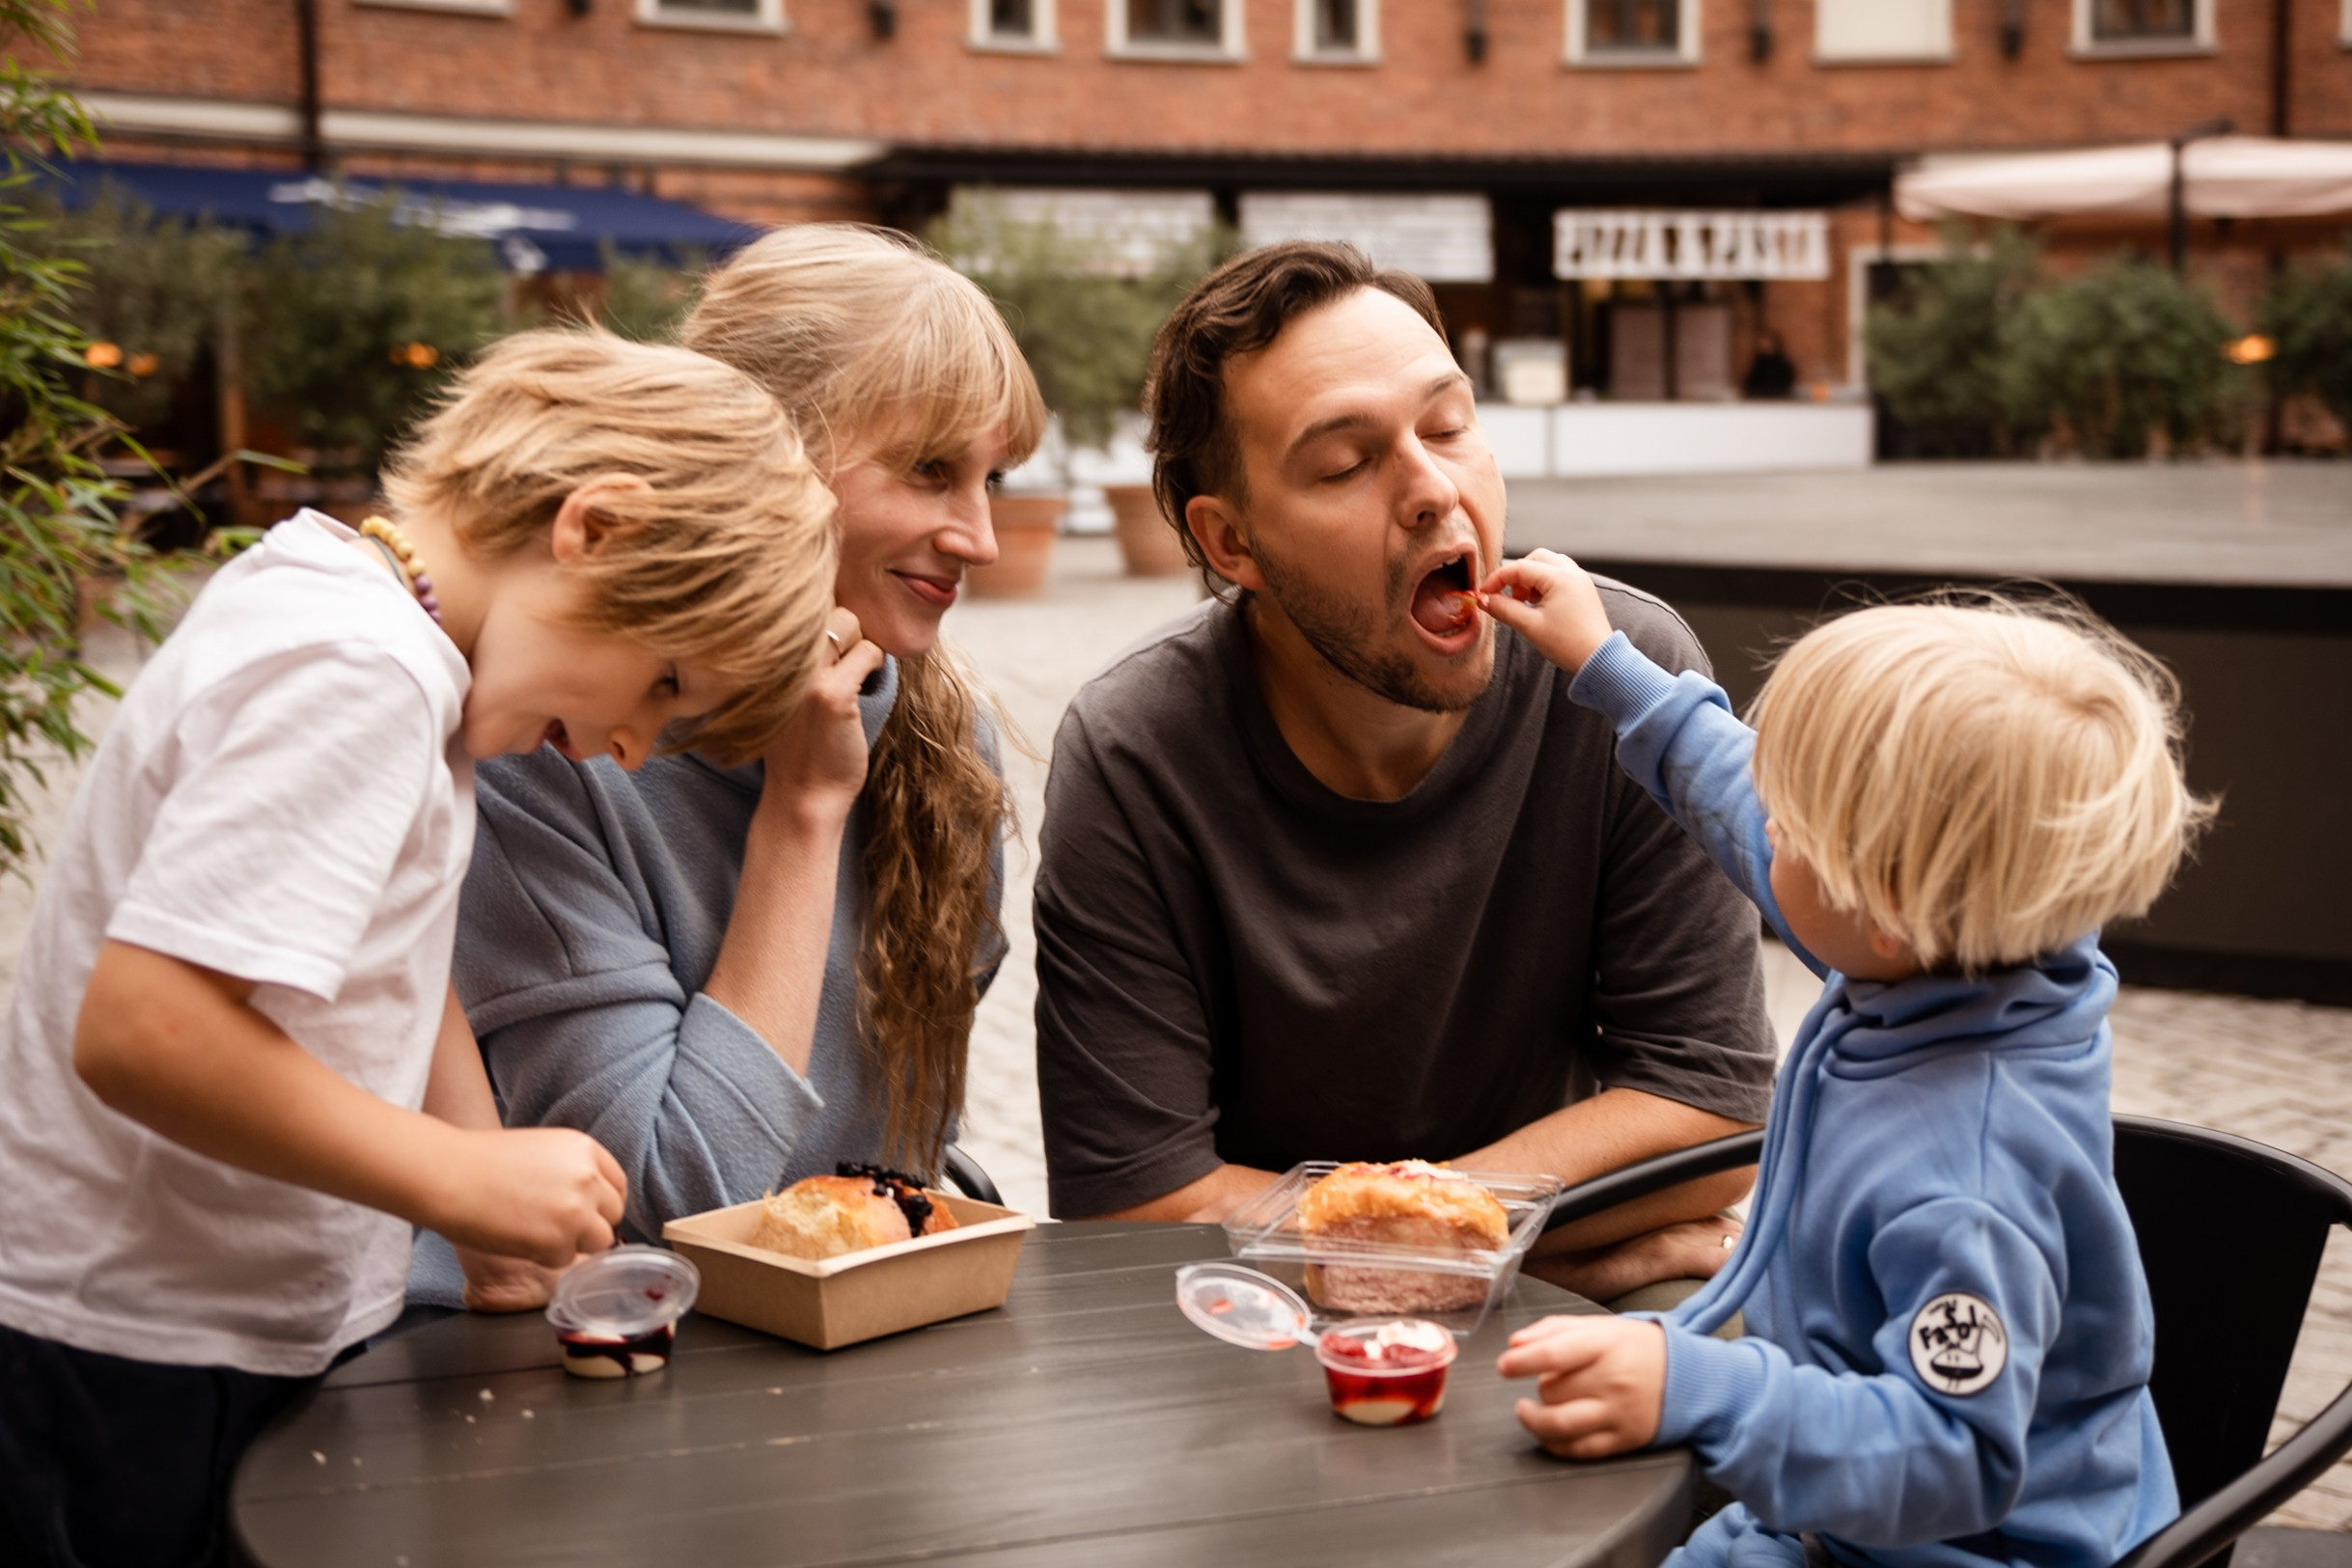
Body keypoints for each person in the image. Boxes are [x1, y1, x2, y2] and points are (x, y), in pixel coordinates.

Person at [0, 327, 841, 1567]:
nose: (626, 747)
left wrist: (478, 1165)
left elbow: (382, 959)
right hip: (132, 1349)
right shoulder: (360, 673)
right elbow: (146, 1027)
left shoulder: (378, 636)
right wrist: (448, 1184)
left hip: (205, 1334)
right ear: (593, 527)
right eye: (664, 682)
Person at [1033, 240, 1779, 1307]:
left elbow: (1715, 1114)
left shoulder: (1620, 674)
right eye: (1345, 463)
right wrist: (1506, 1253)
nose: (1435, 489)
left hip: (1492, 1298)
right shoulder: (1134, 749)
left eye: (1447, 425)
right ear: (1230, 539)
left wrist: (1437, 1238)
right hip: (1268, 1328)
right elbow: (1132, 1208)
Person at [1487, 555, 2206, 1568]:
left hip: (1952, 1548)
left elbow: (1953, 1452)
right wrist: (1605, 661)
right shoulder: (1958, 949)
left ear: (1888, 902)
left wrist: (1701, 1388)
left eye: (1792, 820)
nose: (1760, 820)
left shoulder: (1967, 1183)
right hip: (1832, 1496)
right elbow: (1740, 806)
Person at [407, 226, 1045, 1309]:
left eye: (994, 479)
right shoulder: (549, 742)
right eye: (932, 470)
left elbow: (895, 1161)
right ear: (767, 457)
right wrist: (801, 811)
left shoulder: (944, 742)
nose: (980, 536)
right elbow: (668, 1221)